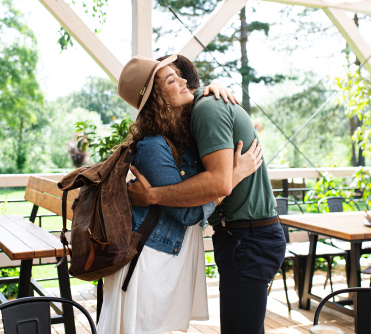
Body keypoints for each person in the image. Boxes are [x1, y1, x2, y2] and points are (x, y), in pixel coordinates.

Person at [96, 54, 263, 334]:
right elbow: (187, 212)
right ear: (157, 99)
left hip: (162, 259)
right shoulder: (152, 147)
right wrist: (236, 174)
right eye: (172, 80)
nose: (185, 81)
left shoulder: (180, 137)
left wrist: (215, 87)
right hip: (147, 262)